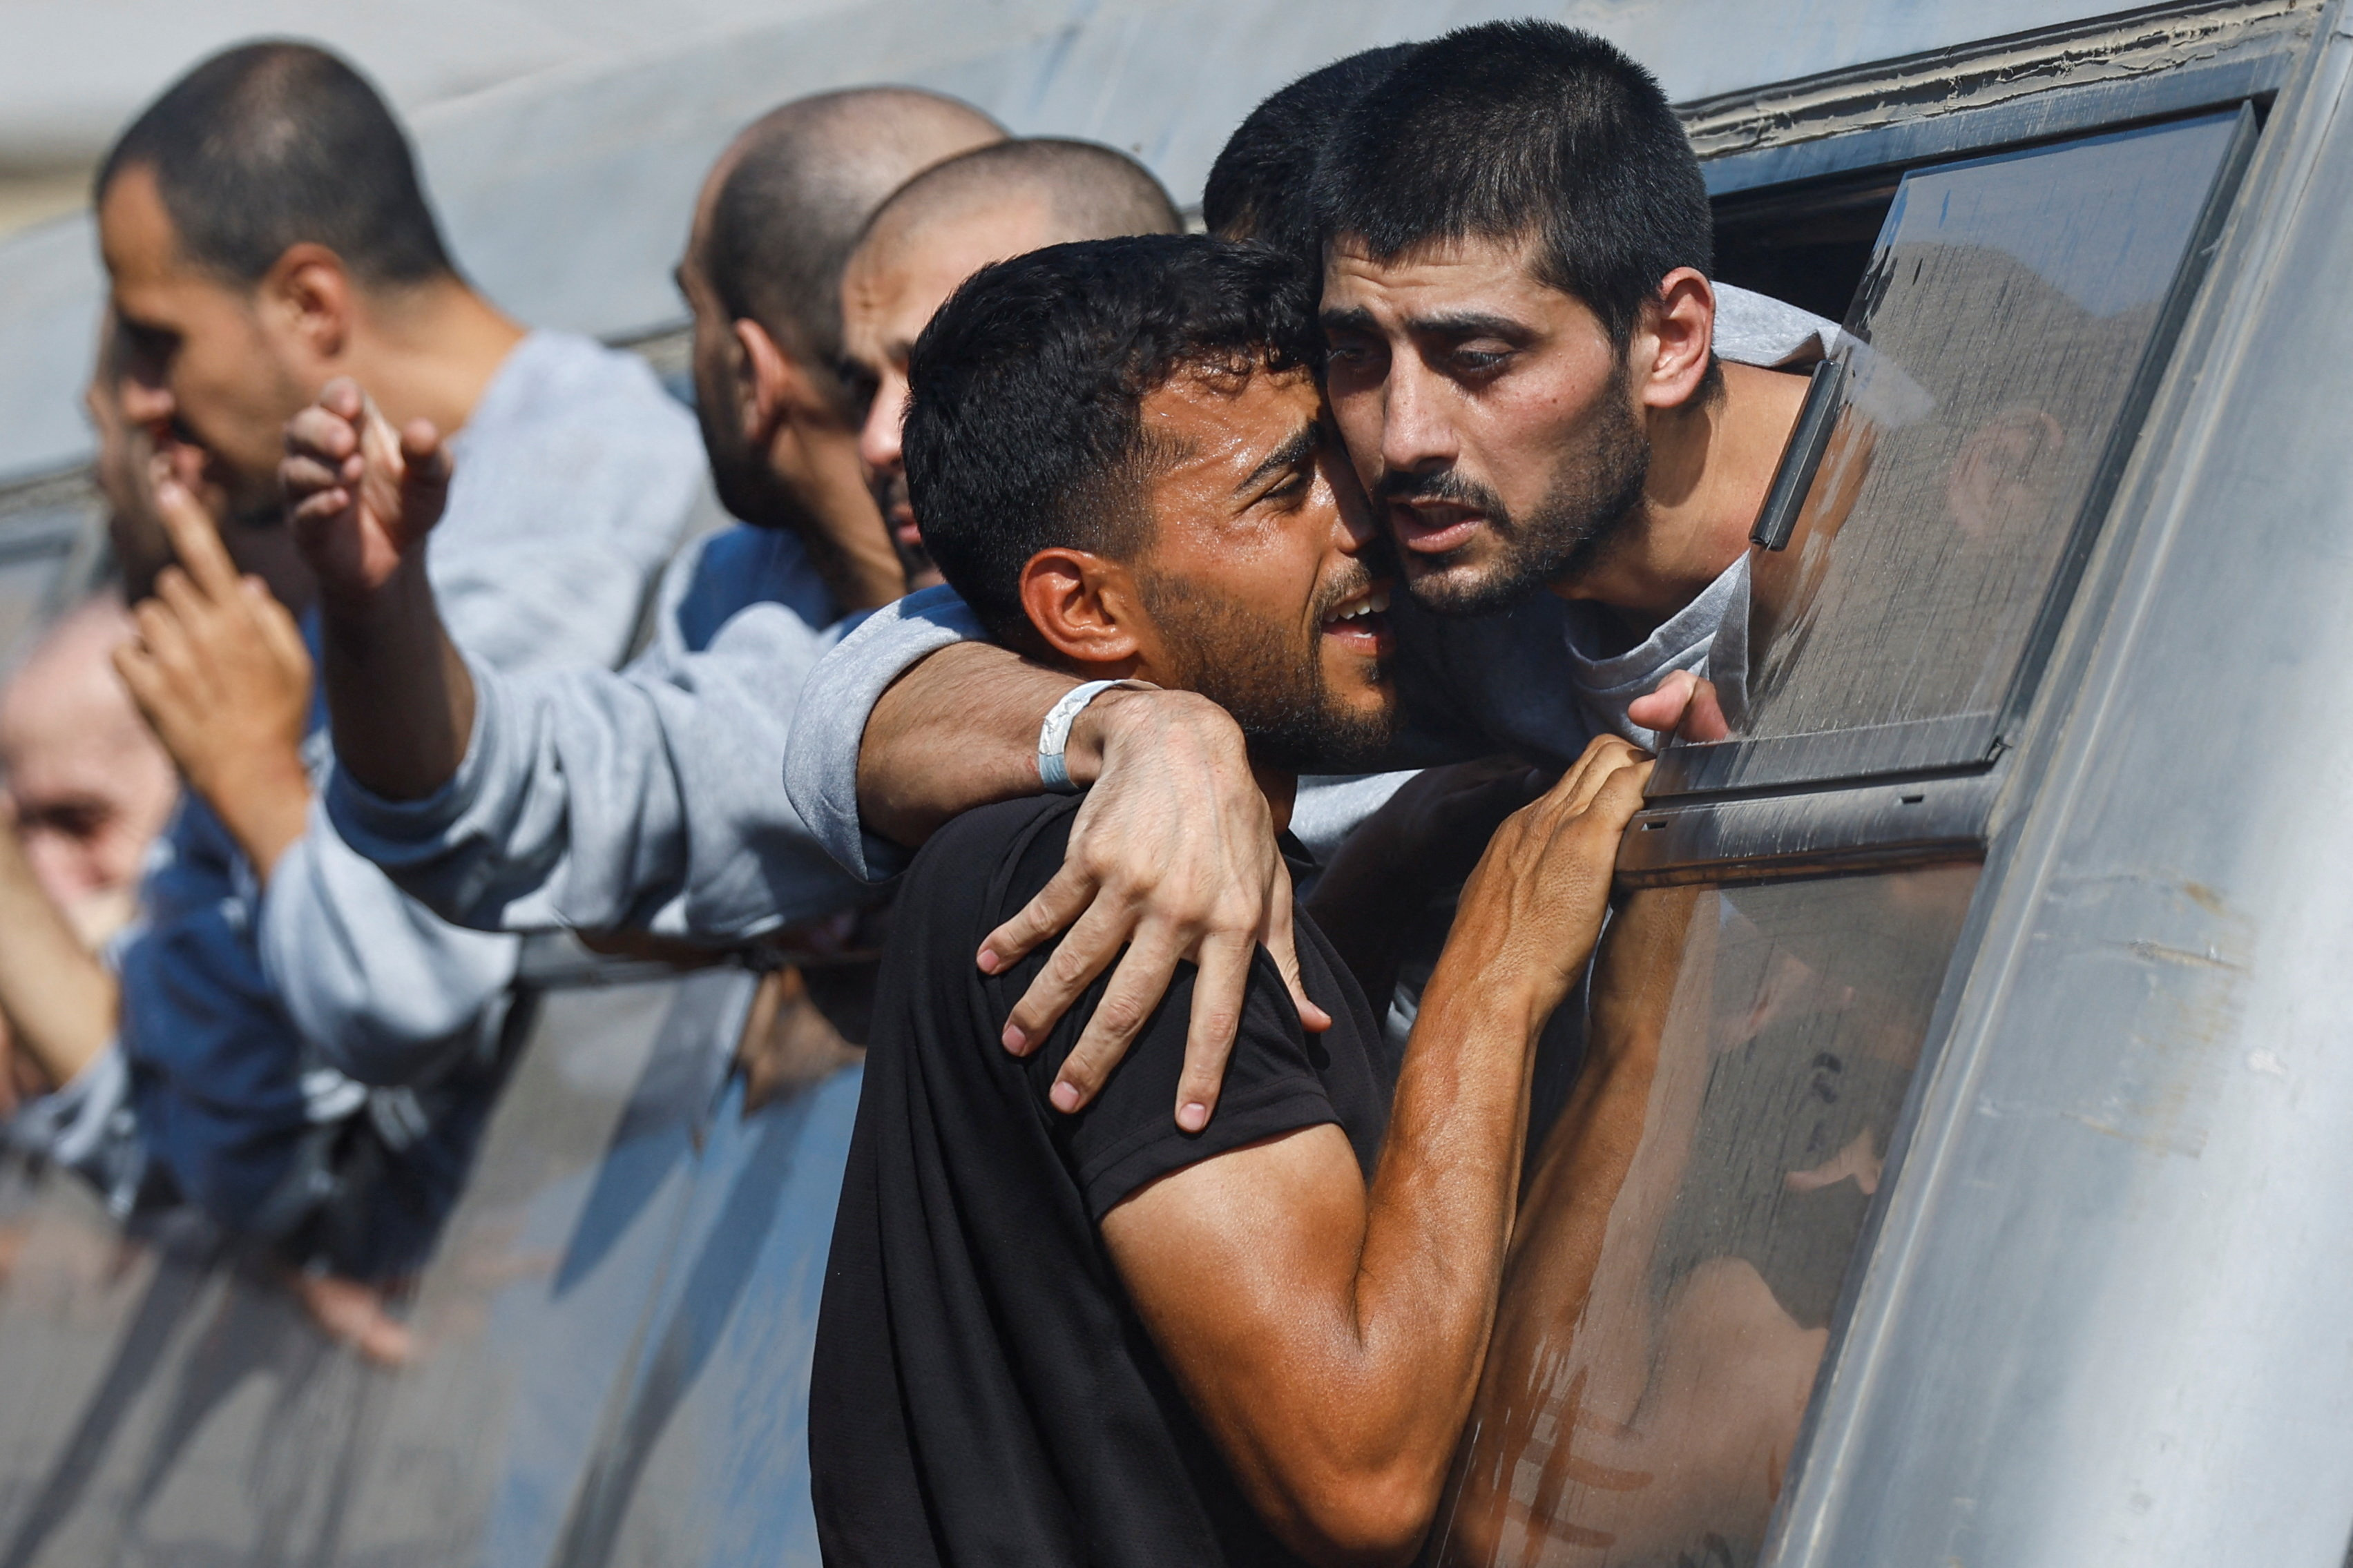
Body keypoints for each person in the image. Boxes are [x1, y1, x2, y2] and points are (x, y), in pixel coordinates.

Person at [778, 22, 1841, 1132]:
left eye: (1472, 355)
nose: (1396, 437)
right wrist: (1143, 734)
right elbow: (857, 699)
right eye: (1351, 356)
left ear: (1670, 339)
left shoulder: (1904, 516)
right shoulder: (1435, 528)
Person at [810, 232, 1650, 1567]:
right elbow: (1357, 1471)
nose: (1364, 521)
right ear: (1085, 609)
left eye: (1344, 468)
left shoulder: (1032, 857)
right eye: (1282, 492)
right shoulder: (1116, 885)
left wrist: (1362, 910)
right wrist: (1491, 984)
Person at [0, 42, 702, 1295]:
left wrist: (253, 774)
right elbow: (196, 1120)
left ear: (312, 307)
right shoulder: (358, 556)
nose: (142, 401)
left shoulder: (569, 505)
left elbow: (398, 995)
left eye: (159, 342)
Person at [302, 135, 1180, 959]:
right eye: (858, 383)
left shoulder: (1264, 554)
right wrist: (374, 606)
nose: (880, 440)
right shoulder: (855, 684)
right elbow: (539, 796)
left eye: (946, 377)